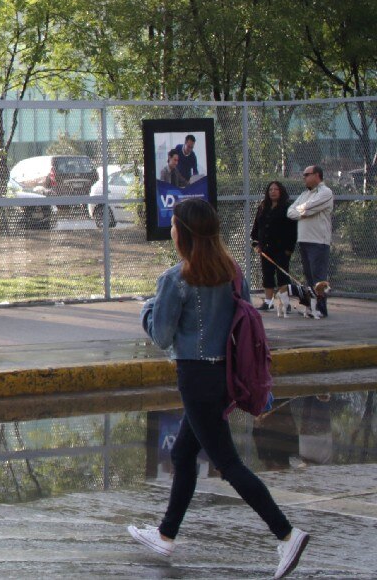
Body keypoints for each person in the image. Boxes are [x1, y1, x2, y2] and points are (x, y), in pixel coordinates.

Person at [131, 198, 310, 579]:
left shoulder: (175, 278)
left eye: (175, 225)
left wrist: (147, 309)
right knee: (182, 453)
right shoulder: (233, 272)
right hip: (225, 377)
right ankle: (165, 534)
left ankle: (286, 534)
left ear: (185, 233)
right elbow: (241, 323)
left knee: (228, 464)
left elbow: (161, 336)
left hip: (195, 378)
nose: (173, 230)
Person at [287, 165, 334, 318]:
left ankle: (321, 309)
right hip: (304, 240)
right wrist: (304, 212)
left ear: (317, 175)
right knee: (309, 277)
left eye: (307, 174)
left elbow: (310, 207)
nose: (304, 177)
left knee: (318, 277)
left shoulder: (325, 192)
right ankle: (310, 308)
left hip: (319, 242)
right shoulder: (304, 194)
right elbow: (290, 212)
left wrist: (301, 211)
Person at [251, 181, 298, 312]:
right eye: (270, 189)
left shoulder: (287, 207)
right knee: (267, 274)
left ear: (281, 191)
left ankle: (285, 303)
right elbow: (256, 227)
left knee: (282, 275)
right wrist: (256, 243)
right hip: (265, 249)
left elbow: (292, 230)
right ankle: (268, 302)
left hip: (282, 249)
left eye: (276, 189)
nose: (273, 191)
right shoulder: (263, 206)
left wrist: (289, 249)